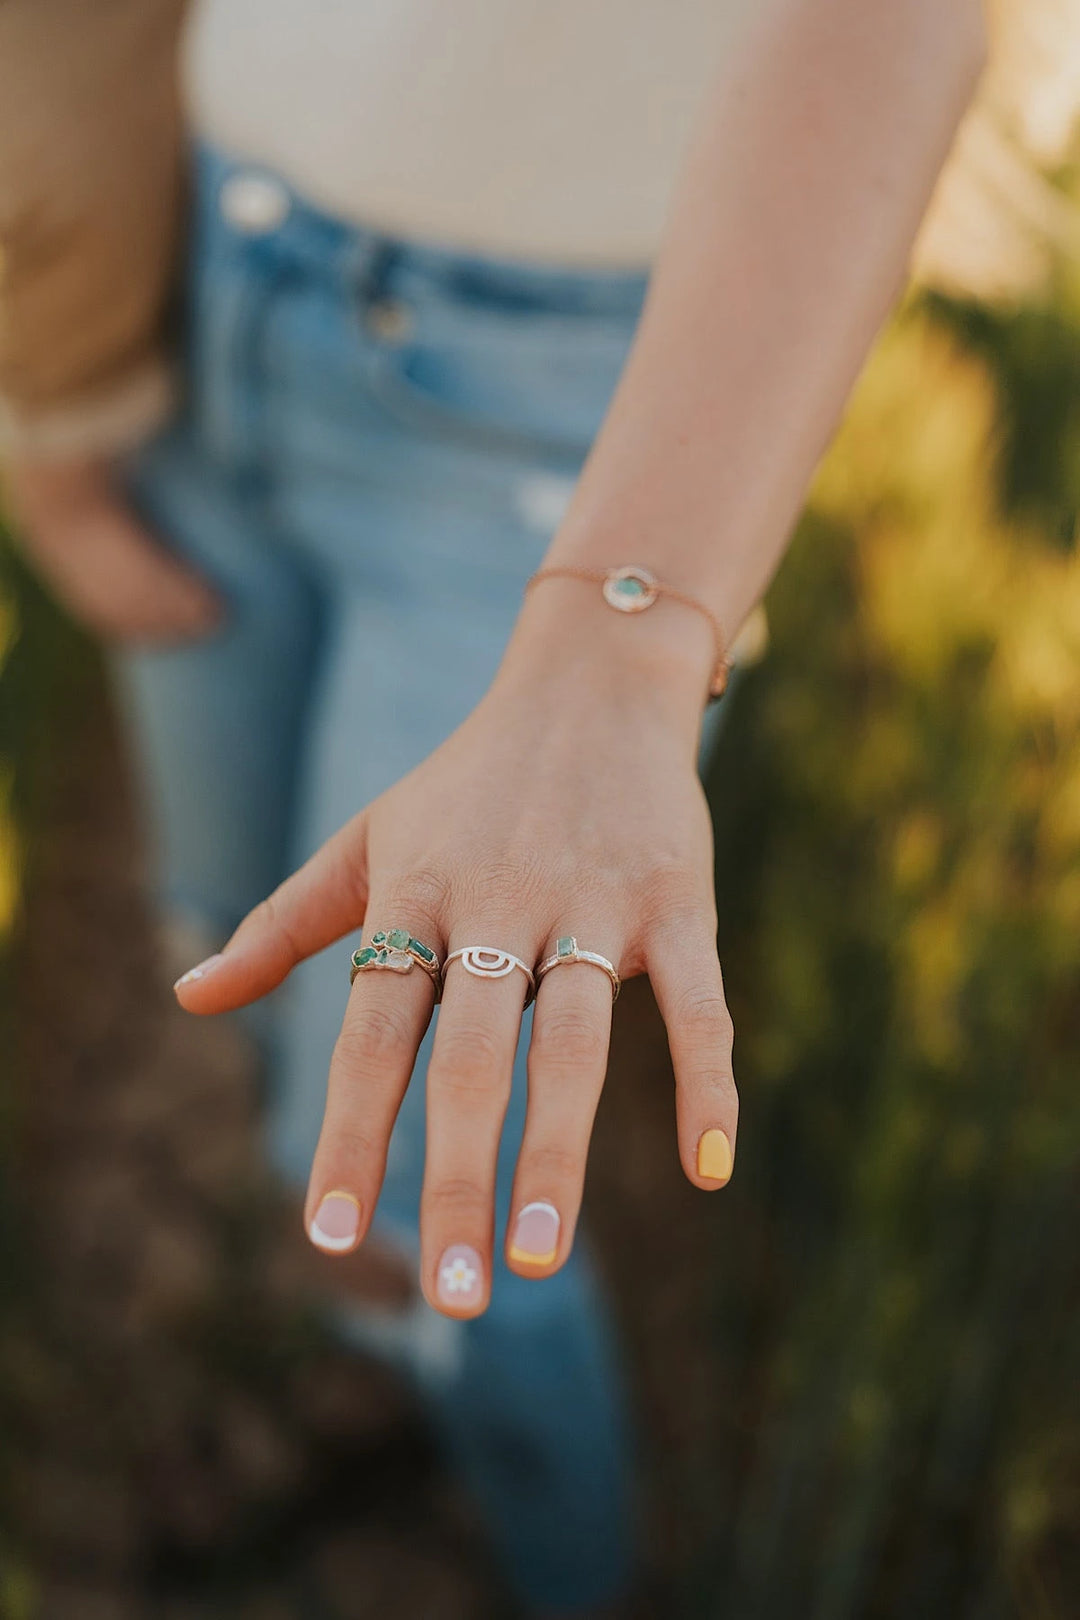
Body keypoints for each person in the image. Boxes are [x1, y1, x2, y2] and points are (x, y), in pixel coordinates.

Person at [0, 2, 986, 1612]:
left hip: (554, 411)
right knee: (238, 938)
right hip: (189, 268)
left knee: (420, 1175)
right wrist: (48, 377)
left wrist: (619, 637)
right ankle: (369, 1358)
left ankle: (568, 1568)